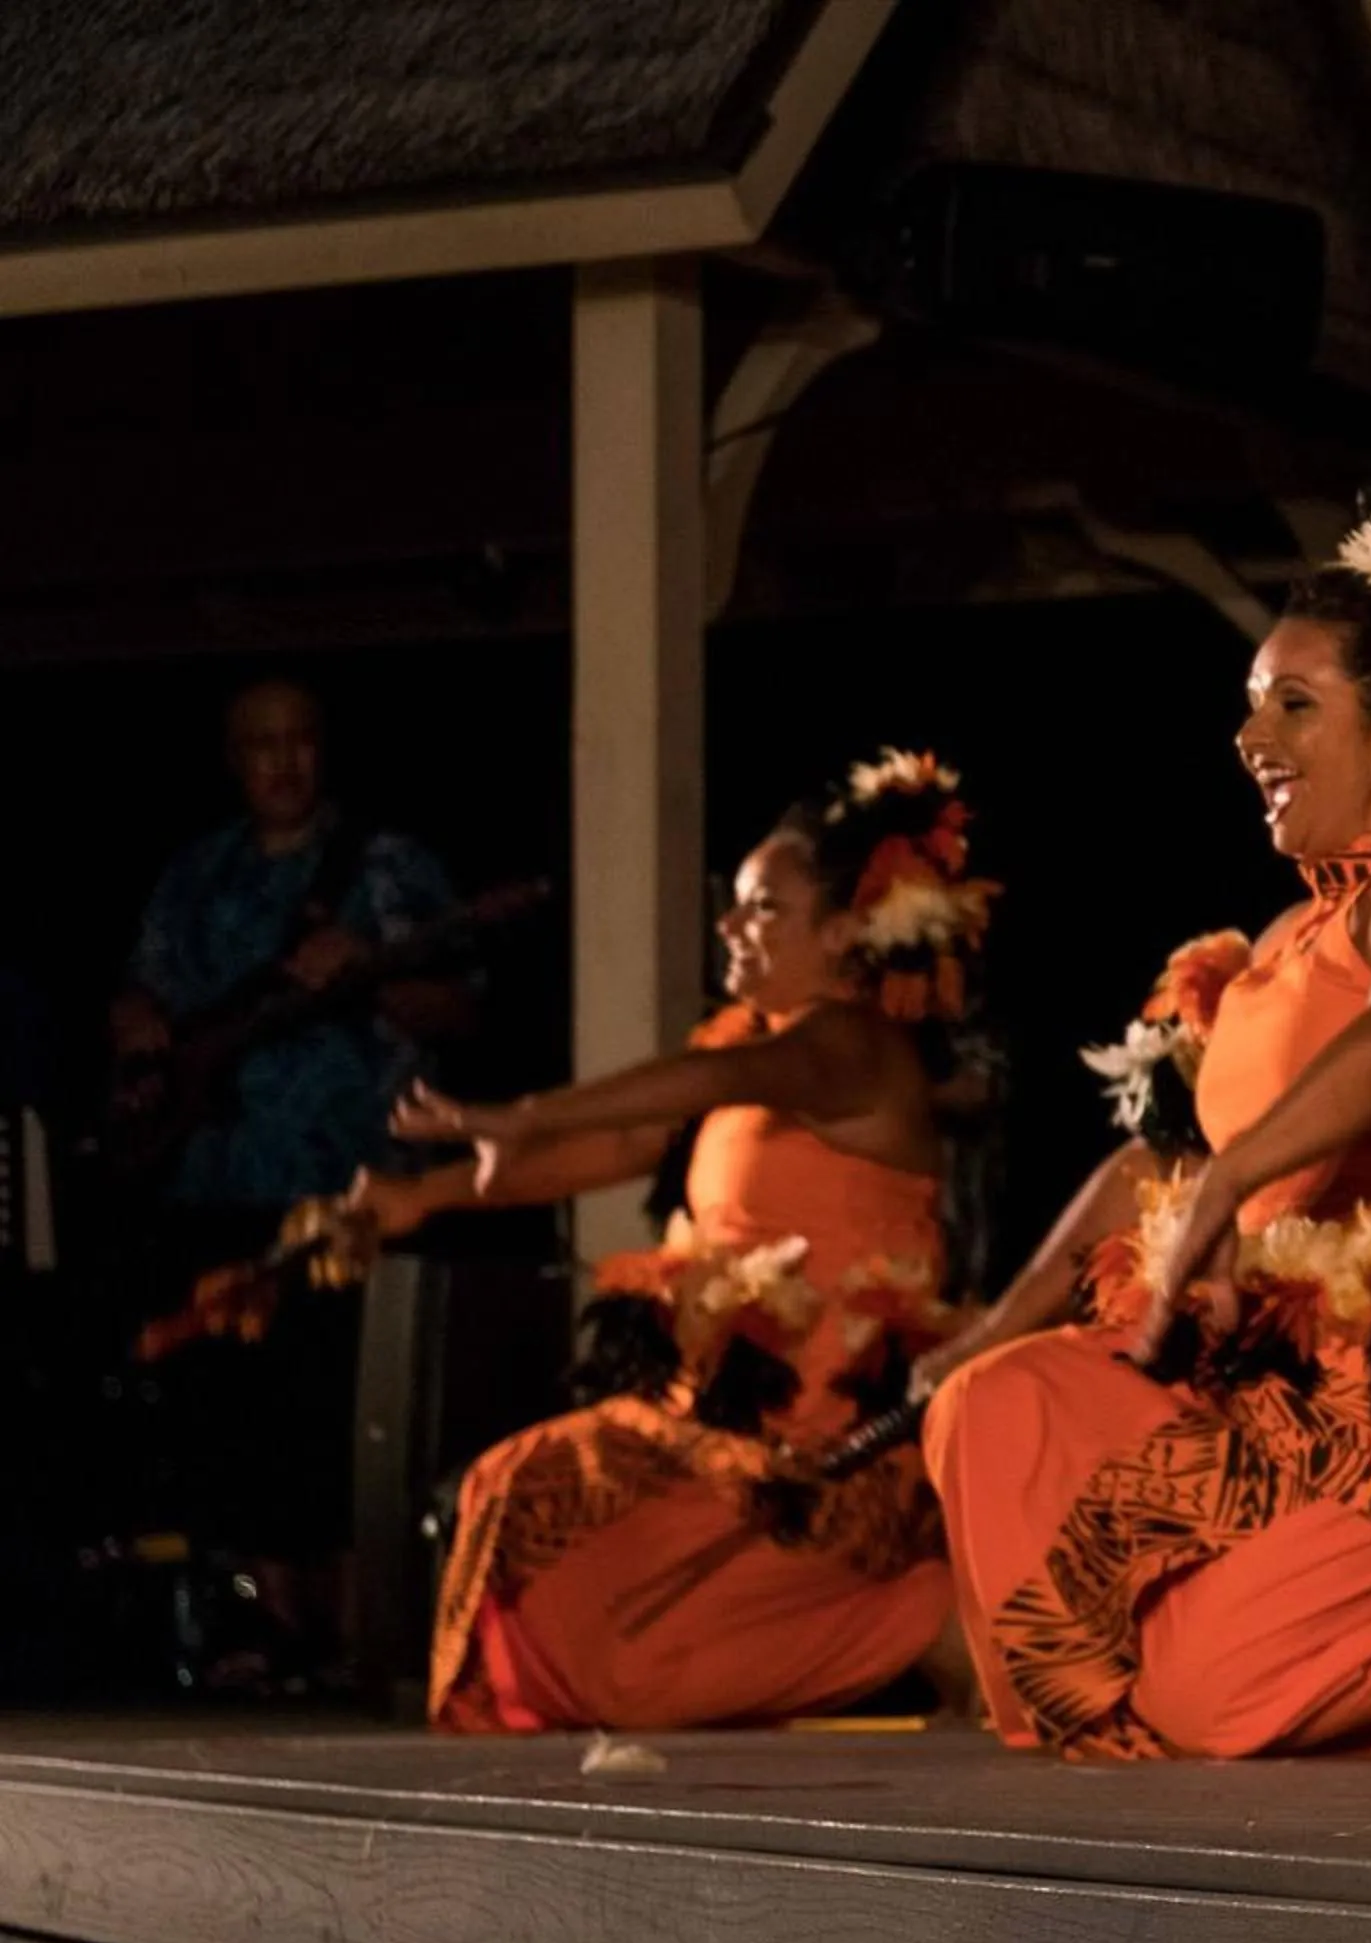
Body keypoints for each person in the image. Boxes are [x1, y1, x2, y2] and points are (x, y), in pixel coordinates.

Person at [916, 478, 1371, 1761]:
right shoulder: (1277, 941)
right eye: (1251, 702)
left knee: (1214, 1691)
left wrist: (1226, 1191)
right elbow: (1174, 1160)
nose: (1250, 733)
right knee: (994, 1404)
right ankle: (1126, 1715)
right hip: (1272, 1372)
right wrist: (1010, 1314)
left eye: (1294, 704)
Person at [349, 752, 995, 1731]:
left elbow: (701, 1089)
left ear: (844, 930)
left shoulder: (854, 1048)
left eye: (765, 908)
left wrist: (521, 1110)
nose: (732, 925)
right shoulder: (744, 1037)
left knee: (633, 1669)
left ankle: (924, 1623)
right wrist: (422, 1195)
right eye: (735, 903)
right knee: (516, 1486)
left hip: (828, 1434)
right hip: (722, 1404)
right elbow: (622, 1139)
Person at [113, 678, 475, 1213]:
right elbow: (141, 994)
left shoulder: (390, 867)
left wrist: (366, 971)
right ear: (235, 760)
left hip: (363, 1193)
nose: (284, 762)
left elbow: (460, 1013)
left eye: (299, 741)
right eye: (264, 745)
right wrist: (133, 1020)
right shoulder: (194, 874)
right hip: (212, 1190)